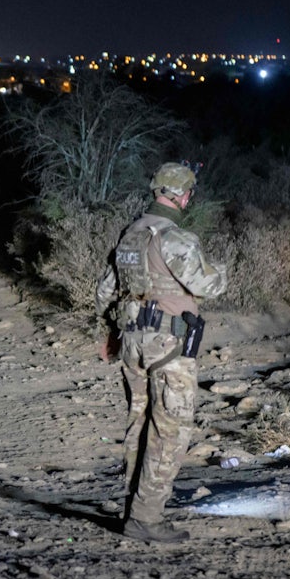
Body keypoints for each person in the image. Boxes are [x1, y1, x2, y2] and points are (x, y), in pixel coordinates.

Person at [94, 162, 227, 543]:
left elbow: (105, 292)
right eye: (188, 194)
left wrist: (110, 333)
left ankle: (133, 509)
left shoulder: (130, 235)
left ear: (156, 191)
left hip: (132, 343)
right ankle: (145, 519)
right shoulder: (174, 237)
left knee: (139, 425)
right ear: (183, 196)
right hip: (169, 347)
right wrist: (222, 269)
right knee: (169, 432)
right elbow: (208, 284)